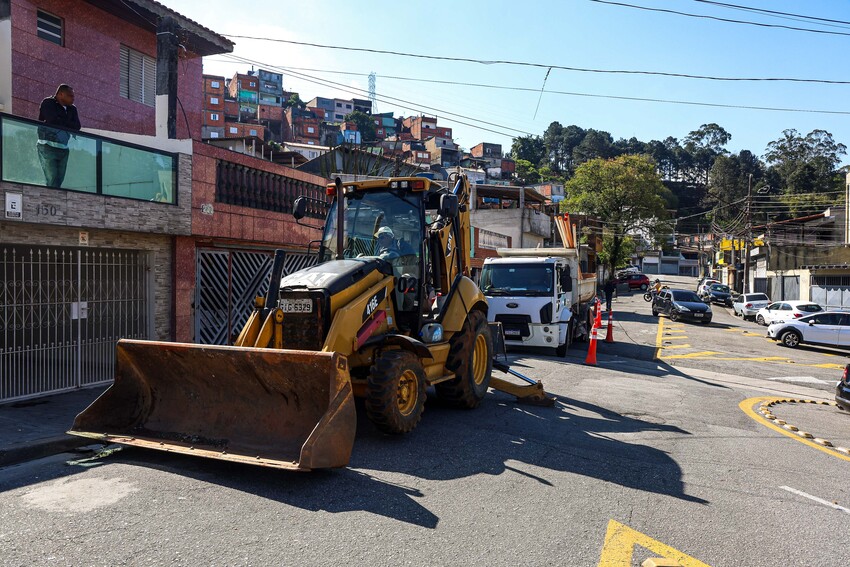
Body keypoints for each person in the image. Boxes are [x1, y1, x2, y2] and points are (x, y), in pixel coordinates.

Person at [37, 84, 81, 188]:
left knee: (59, 179)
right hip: (47, 145)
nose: (73, 98)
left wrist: (62, 121)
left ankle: (54, 200)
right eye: (70, 95)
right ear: (61, 94)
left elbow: (77, 127)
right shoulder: (48, 103)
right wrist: (67, 123)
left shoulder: (72, 109)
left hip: (63, 147)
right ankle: (49, 200)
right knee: (52, 178)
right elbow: (53, 120)